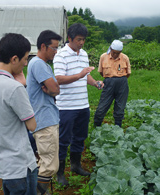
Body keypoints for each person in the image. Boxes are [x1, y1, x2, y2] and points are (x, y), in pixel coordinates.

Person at [0, 33, 38, 195]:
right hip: (20, 165)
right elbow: (32, 125)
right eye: (25, 59)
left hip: (3, 163)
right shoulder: (14, 88)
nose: (26, 63)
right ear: (14, 59)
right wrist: (23, 86)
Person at [53, 23, 104, 186]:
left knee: (80, 137)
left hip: (83, 105)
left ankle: (75, 166)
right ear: (70, 38)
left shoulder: (84, 54)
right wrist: (80, 74)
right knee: (63, 140)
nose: (82, 43)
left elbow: (85, 76)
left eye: (84, 40)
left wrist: (95, 82)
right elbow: (59, 79)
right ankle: (60, 173)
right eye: (79, 39)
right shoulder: (61, 55)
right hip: (66, 107)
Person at [26, 30, 61, 194]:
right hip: (44, 120)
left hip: (43, 118)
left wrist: (53, 90)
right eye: (54, 48)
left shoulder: (38, 63)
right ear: (43, 46)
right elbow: (55, 89)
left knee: (44, 161)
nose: (56, 52)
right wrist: (53, 90)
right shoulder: (39, 64)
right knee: (50, 165)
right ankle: (37, 191)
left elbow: (54, 89)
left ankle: (39, 190)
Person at [94, 40, 131, 127]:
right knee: (102, 107)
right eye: (113, 52)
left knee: (120, 107)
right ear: (110, 49)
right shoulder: (103, 57)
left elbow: (128, 73)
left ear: (121, 52)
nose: (115, 55)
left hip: (122, 83)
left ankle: (118, 127)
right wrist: (110, 79)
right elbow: (101, 72)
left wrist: (120, 79)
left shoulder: (125, 58)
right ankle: (96, 127)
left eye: (117, 53)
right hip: (108, 83)